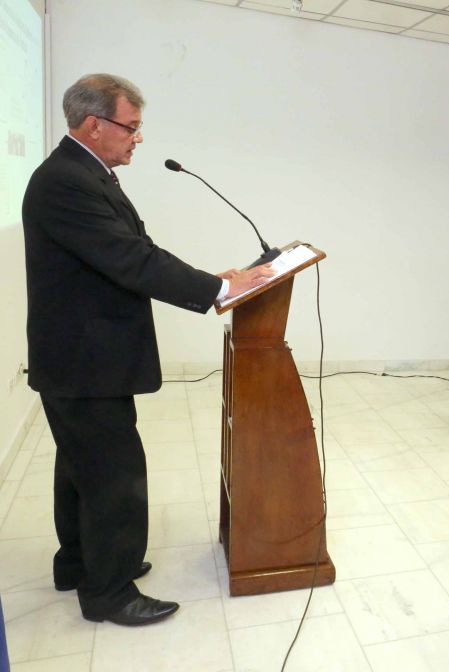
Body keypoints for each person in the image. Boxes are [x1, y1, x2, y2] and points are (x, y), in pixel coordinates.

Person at [22, 74, 274, 626]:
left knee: (82, 468)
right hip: (85, 361)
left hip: (81, 358)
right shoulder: (67, 181)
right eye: (131, 127)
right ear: (95, 125)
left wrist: (212, 280)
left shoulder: (84, 173)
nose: (138, 138)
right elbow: (130, 260)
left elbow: (135, 249)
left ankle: (80, 564)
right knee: (112, 476)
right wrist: (217, 290)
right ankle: (109, 593)